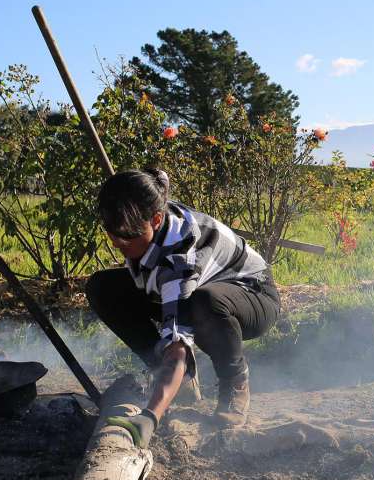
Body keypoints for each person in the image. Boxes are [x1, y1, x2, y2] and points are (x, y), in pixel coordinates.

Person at [86, 168, 279, 441]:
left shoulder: (179, 261)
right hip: (194, 285)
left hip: (253, 295)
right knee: (103, 287)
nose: (118, 242)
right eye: (112, 233)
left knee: (204, 303)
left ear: (155, 219)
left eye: (127, 235)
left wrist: (150, 415)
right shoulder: (148, 209)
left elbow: (177, 346)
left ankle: (235, 383)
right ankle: (178, 380)